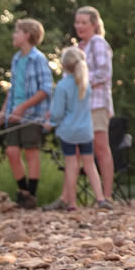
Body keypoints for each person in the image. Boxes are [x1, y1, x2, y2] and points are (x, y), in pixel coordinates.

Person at [0, 18, 53, 207]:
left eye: (17, 32)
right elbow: (12, 89)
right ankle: (23, 190)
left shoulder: (39, 59)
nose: (14, 35)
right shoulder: (16, 59)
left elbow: (45, 89)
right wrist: (3, 111)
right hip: (14, 113)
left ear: (27, 35)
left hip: (32, 115)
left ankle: (31, 196)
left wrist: (23, 107)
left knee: (30, 153)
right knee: (12, 152)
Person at [47, 47, 111, 211]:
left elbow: (58, 113)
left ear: (63, 65)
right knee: (90, 164)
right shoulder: (85, 84)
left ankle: (72, 203)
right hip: (86, 131)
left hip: (68, 132)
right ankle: (101, 199)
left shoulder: (62, 86)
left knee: (71, 165)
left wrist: (50, 122)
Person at [74, 6, 115, 201]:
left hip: (97, 103)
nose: (79, 26)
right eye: (77, 22)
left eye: (83, 22)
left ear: (94, 24)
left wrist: (81, 80)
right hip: (80, 105)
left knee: (100, 147)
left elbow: (104, 72)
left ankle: (106, 196)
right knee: (77, 149)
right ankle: (70, 198)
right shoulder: (78, 48)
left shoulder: (98, 42)